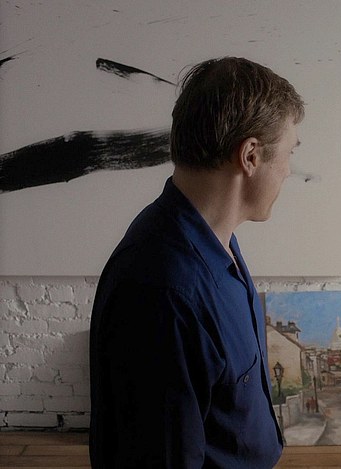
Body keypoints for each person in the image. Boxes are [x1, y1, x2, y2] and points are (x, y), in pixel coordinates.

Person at [89, 57, 304, 468]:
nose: (289, 171)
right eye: (289, 152)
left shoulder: (217, 244)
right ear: (251, 156)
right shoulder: (164, 289)